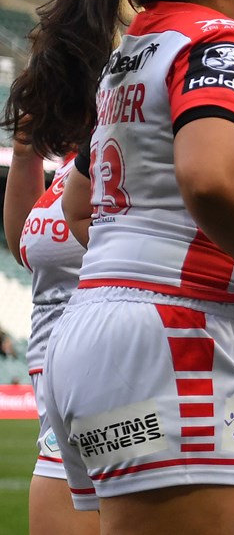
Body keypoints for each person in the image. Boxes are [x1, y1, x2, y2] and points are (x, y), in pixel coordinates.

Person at [4, 0, 234, 531]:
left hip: (91, 331)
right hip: (175, 331)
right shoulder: (220, 41)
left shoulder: (131, 56)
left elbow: (78, 207)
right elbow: (211, 176)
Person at [4, 142, 97, 535]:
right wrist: (26, 154)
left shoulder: (125, 133)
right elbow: (27, 249)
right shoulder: (69, 165)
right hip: (59, 396)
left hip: (111, 372)